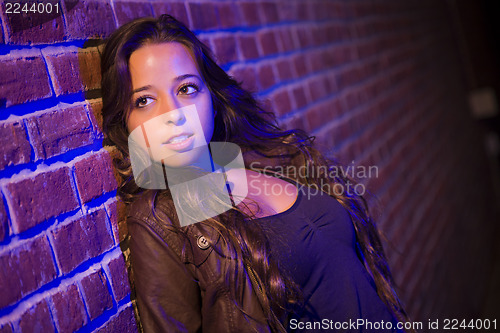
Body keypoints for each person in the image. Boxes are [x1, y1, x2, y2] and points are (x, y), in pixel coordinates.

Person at [100, 14, 413, 333]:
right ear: (126, 123)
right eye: (145, 100)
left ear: (212, 97)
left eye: (186, 88)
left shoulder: (271, 158)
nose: (173, 114)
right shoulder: (159, 218)